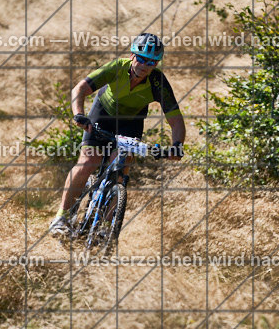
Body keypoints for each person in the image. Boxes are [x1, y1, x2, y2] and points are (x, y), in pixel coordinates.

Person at [49, 33, 185, 239]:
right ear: (132, 55)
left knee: (120, 171)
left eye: (151, 62)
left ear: (156, 63)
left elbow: (176, 120)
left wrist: (177, 145)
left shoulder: (158, 82)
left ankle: (105, 228)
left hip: (131, 123)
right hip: (102, 114)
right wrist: (79, 114)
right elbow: (80, 88)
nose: (145, 65)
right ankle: (61, 217)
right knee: (88, 162)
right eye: (141, 58)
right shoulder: (117, 67)